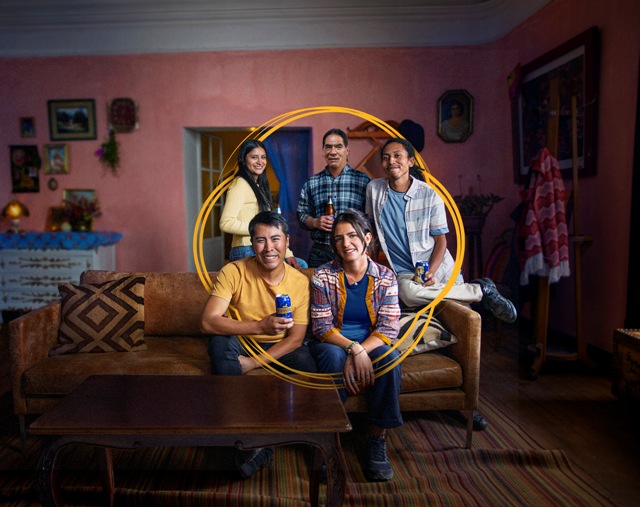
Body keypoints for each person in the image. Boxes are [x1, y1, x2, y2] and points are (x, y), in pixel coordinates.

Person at [365, 137, 517, 430]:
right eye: (386, 157)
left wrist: (432, 272)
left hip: (438, 272)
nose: (391, 161)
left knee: (463, 329)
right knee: (408, 293)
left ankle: (468, 406)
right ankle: (481, 289)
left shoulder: (430, 195)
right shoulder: (375, 190)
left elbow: (441, 241)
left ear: (411, 161)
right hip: (406, 273)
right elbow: (371, 231)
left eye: (398, 155)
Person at [201, 211, 317, 479]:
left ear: (287, 242)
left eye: (275, 239)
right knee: (218, 344)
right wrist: (259, 327)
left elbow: (295, 339)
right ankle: (243, 436)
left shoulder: (300, 282)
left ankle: (307, 440)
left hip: (280, 346)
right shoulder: (233, 271)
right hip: (243, 340)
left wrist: (253, 363)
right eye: (261, 240)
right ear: (252, 243)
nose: (269, 248)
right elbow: (207, 322)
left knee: (307, 362)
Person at [309, 208, 402, 482]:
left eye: (352, 236)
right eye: (338, 238)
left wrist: (362, 349)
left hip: (371, 343)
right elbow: (321, 327)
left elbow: (388, 327)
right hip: (334, 341)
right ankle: (328, 442)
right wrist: (353, 348)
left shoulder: (386, 276)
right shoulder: (323, 275)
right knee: (331, 357)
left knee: (389, 358)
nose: (346, 243)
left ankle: (377, 440)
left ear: (367, 238)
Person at [220, 138, 306, 267]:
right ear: (243, 160)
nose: (260, 161)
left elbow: (271, 226)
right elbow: (226, 223)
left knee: (300, 265)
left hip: (259, 245)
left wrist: (288, 253)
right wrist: (258, 230)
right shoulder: (240, 184)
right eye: (254, 157)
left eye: (263, 157)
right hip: (245, 249)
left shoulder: (259, 186)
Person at [297, 128, 371, 268]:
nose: (333, 152)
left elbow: (371, 219)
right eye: (328, 147)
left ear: (347, 150)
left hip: (353, 251)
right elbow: (301, 215)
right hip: (320, 253)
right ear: (323, 151)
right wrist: (315, 222)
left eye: (338, 146)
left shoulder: (363, 181)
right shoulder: (311, 183)